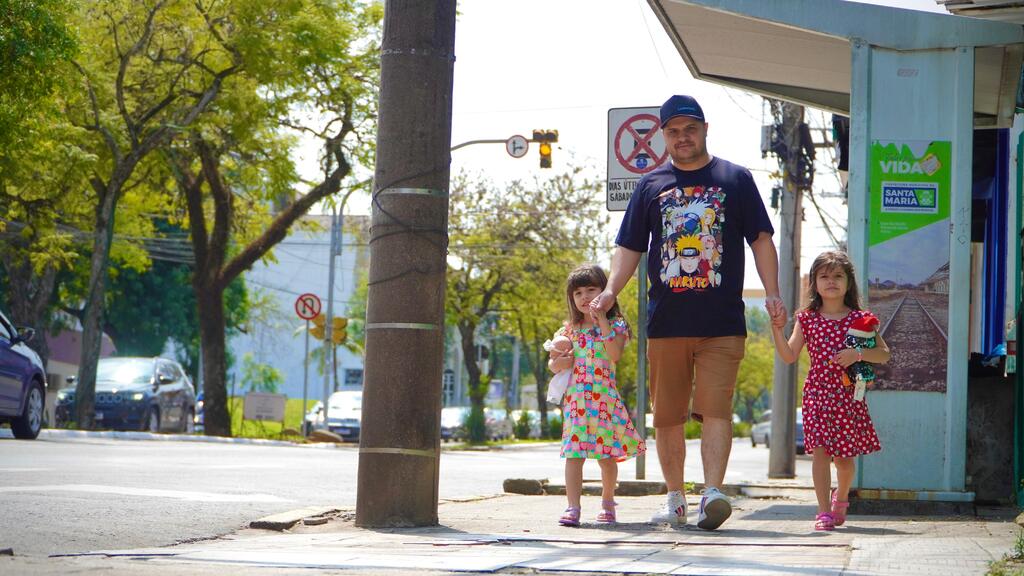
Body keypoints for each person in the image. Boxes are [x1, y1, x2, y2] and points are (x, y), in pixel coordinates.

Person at [590, 94, 785, 530]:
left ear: (704, 129)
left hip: (722, 323)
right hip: (667, 322)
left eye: (690, 129)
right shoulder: (650, 185)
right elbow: (630, 248)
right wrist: (608, 291)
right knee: (667, 415)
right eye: (674, 131)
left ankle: (712, 492)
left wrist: (773, 293)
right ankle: (676, 498)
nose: (683, 137)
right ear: (663, 136)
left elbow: (760, 239)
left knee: (716, 408)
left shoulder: (735, 179)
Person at [769, 250, 889, 531]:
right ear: (814, 283)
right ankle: (823, 512)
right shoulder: (807, 319)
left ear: (849, 283)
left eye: (838, 276)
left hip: (849, 397)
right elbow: (789, 355)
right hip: (817, 395)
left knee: (844, 460)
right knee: (820, 453)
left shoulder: (862, 319)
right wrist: (777, 329)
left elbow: (884, 354)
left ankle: (842, 496)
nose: (831, 281)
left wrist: (857, 353)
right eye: (824, 276)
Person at [548, 263, 646, 527]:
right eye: (578, 293)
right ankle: (572, 507)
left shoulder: (616, 325)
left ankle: (607, 501)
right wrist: (560, 363)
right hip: (576, 402)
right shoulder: (567, 330)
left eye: (591, 290)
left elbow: (614, 354)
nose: (585, 297)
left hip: (604, 401)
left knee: (606, 456)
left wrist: (602, 319)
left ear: (605, 292)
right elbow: (553, 365)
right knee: (573, 455)